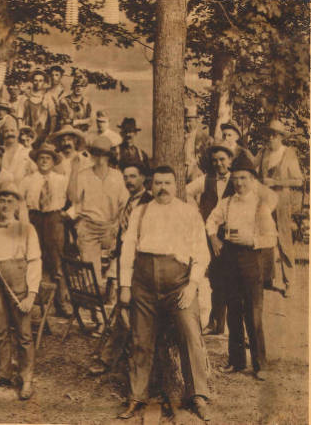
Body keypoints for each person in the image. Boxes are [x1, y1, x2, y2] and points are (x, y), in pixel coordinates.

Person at [117, 165, 210, 422]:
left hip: (178, 285)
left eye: (168, 183)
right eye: (158, 183)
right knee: (140, 338)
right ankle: (136, 397)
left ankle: (198, 395)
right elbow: (127, 251)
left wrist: (192, 286)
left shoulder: (189, 212)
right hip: (144, 284)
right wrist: (125, 286)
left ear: (176, 185)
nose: (162, 188)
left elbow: (202, 253)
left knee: (190, 331)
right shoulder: (140, 211)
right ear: (151, 186)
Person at [206, 154, 278, 382]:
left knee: (253, 314)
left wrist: (253, 242)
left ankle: (260, 365)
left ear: (252, 179)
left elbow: (271, 238)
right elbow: (210, 221)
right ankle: (236, 361)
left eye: (244, 178)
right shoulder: (226, 202)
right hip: (229, 259)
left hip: (251, 259)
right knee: (233, 312)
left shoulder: (260, 205)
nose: (239, 183)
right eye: (236, 179)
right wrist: (214, 239)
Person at [0, 181, 41, 400]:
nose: (5, 204)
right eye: (1, 200)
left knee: (23, 333)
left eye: (9, 200)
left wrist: (31, 295)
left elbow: (34, 262)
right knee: (0, 329)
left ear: (17, 203)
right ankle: (4, 373)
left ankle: (26, 378)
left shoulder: (26, 228)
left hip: (18, 281)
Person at [88, 162, 153, 376]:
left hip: (141, 265)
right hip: (125, 263)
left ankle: (110, 356)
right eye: (125, 177)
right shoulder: (130, 201)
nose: (129, 181)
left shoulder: (149, 203)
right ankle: (114, 354)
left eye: (133, 176)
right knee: (122, 308)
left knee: (125, 309)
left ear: (143, 178)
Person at [66, 136, 127, 293]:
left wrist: (117, 226)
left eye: (104, 155)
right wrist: (74, 170)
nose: (100, 159)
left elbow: (124, 204)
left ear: (109, 156)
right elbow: (73, 197)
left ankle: (111, 293)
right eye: (97, 155)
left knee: (122, 258)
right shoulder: (84, 175)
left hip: (110, 227)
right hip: (88, 226)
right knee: (90, 273)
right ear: (92, 155)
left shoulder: (117, 176)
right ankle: (93, 304)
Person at [185, 145, 236, 335]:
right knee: (215, 278)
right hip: (211, 234)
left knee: (232, 278)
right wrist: (197, 211)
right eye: (215, 160)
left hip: (232, 236)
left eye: (222, 159)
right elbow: (186, 191)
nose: (218, 164)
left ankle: (232, 326)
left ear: (230, 160)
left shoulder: (238, 179)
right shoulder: (207, 179)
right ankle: (216, 322)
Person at [21, 143, 72, 316]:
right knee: (34, 258)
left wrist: (67, 214)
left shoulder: (61, 180)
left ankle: (62, 302)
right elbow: (20, 203)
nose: (44, 161)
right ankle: (34, 302)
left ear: (52, 161)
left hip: (54, 219)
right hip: (34, 219)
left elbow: (74, 200)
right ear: (36, 161)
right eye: (41, 158)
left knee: (57, 260)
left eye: (47, 158)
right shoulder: (27, 180)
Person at [253, 119, 303, 295]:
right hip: (265, 199)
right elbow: (252, 169)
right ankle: (267, 277)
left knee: (284, 238)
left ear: (281, 137)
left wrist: (276, 181)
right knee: (265, 235)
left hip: (282, 199)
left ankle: (289, 281)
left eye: (275, 135)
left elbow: (298, 180)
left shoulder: (288, 153)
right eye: (269, 134)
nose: (271, 138)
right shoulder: (264, 152)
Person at [22, 70, 57, 141]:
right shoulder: (25, 97)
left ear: (44, 82)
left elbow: (53, 117)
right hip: (28, 133)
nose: (38, 83)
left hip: (43, 133)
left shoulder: (47, 97)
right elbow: (21, 118)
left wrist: (51, 133)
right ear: (32, 82)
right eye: (35, 80)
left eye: (40, 81)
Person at [183, 105, 213, 183]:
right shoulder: (181, 136)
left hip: (197, 172)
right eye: (185, 121)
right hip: (183, 170)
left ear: (197, 120)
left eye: (190, 121)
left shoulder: (205, 138)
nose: (186, 124)